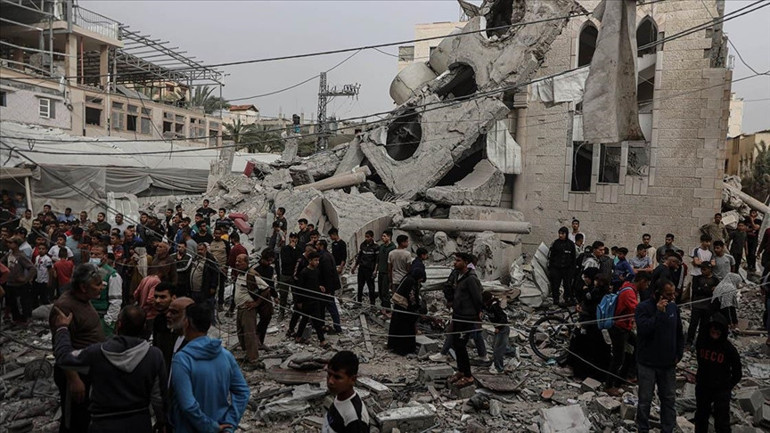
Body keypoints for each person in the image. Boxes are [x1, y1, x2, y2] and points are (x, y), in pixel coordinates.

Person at [52, 305, 167, 433]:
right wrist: (162, 421)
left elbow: (64, 359)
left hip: (103, 423)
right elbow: (158, 397)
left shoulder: (97, 353)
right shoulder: (154, 355)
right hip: (139, 422)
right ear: (144, 327)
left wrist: (62, 329)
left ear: (119, 324)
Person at [169, 303, 250, 433]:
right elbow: (243, 392)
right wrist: (230, 423)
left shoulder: (182, 359)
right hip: (221, 424)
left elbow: (188, 405)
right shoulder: (225, 355)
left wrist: (210, 427)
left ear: (187, 323)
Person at [49, 263, 107, 433]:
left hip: (88, 370)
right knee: (73, 421)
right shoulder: (65, 307)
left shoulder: (84, 300)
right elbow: (60, 346)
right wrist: (73, 379)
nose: (101, 287)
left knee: (84, 416)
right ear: (83, 287)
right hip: (75, 372)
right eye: (97, 284)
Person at [635, 279, 684, 433]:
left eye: (673, 294)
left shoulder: (673, 307)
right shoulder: (643, 308)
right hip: (647, 363)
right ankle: (643, 428)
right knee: (645, 400)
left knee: (668, 399)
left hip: (668, 363)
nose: (672, 297)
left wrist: (679, 353)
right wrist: (658, 313)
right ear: (657, 294)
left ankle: (667, 429)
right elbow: (644, 329)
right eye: (668, 295)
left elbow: (679, 331)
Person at [694, 313, 742, 433]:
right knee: (701, 417)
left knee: (722, 421)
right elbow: (700, 361)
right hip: (703, 386)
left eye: (718, 330)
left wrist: (727, 386)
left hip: (721, 389)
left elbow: (737, 373)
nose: (715, 332)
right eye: (713, 329)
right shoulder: (702, 342)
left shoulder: (729, 349)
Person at [605, 272, 648, 396]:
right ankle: (609, 385)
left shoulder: (629, 288)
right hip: (619, 328)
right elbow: (637, 309)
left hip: (625, 327)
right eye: (646, 284)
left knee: (635, 347)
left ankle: (623, 378)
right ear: (642, 281)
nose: (646, 287)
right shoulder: (629, 292)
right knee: (618, 358)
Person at [447, 252, 483, 388]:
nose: (455, 263)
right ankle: (461, 371)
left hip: (466, 318)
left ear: (466, 262)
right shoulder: (458, 276)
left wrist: (478, 314)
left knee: (461, 346)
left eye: (458, 260)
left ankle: (468, 376)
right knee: (456, 344)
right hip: (458, 315)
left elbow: (477, 298)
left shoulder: (471, 279)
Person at [233, 253, 269, 369]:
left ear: (246, 263)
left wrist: (256, 303)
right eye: (236, 261)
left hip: (248, 310)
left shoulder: (251, 274)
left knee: (249, 335)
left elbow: (266, 288)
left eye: (240, 261)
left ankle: (253, 360)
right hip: (240, 308)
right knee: (241, 333)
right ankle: (247, 355)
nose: (237, 263)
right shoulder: (240, 274)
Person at [323, 351, 370, 433]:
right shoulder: (340, 396)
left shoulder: (354, 418)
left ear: (352, 379)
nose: (330, 381)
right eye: (329, 374)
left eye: (337, 377)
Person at [387, 266, 426, 356]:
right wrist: (416, 309)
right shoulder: (411, 282)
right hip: (405, 309)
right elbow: (412, 298)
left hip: (399, 307)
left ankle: (394, 346)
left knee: (396, 327)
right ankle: (404, 349)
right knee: (405, 329)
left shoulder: (407, 277)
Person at [294, 251, 330, 348]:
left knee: (311, 320)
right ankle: (321, 340)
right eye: (315, 260)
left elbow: (315, 284)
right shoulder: (304, 272)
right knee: (309, 320)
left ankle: (299, 337)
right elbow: (300, 288)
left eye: (318, 260)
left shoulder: (316, 271)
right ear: (310, 261)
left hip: (315, 299)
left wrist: (320, 287)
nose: (317, 262)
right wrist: (299, 301)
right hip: (307, 300)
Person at [89, 245, 123, 336]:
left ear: (105, 256)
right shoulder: (87, 272)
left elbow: (116, 302)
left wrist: (108, 321)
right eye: (91, 254)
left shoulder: (113, 275)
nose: (93, 257)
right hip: (87, 317)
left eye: (97, 254)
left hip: (102, 317)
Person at [2, 236, 36, 323]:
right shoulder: (9, 254)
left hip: (19, 285)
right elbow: (2, 262)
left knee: (22, 304)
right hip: (10, 283)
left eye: (11, 243)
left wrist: (26, 279)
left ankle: (24, 320)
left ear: (16, 244)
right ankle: (16, 320)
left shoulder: (21, 256)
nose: (8, 244)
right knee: (12, 304)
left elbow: (32, 268)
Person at [686, 262, 719, 350]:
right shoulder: (697, 278)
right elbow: (696, 290)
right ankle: (689, 341)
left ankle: (700, 342)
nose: (702, 271)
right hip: (697, 305)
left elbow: (716, 293)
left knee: (704, 326)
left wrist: (704, 290)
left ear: (710, 269)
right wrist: (709, 290)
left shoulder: (715, 280)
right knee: (693, 324)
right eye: (701, 269)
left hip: (707, 307)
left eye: (704, 269)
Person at [317, 239, 342, 334]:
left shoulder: (324, 257)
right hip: (328, 286)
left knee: (331, 307)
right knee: (322, 307)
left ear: (321, 246)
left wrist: (326, 288)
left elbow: (327, 274)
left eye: (318, 245)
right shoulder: (328, 255)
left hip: (327, 287)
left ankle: (337, 328)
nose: (316, 247)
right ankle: (322, 326)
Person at [482, 291, 511, 374]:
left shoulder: (494, 306)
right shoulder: (486, 306)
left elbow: (504, 318)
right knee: (498, 346)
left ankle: (499, 369)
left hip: (503, 329)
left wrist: (498, 327)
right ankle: (513, 351)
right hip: (498, 328)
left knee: (497, 350)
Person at [151, 282, 177, 374]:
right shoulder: (158, 320)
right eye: (156, 297)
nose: (157, 301)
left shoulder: (180, 322)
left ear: (173, 298)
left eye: (163, 297)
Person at [547, 227, 576, 306]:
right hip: (556, 269)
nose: (560, 235)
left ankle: (566, 300)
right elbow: (551, 257)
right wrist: (551, 268)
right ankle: (556, 300)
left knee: (567, 285)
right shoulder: (556, 243)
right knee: (555, 285)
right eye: (559, 233)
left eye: (562, 234)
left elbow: (573, 258)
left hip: (567, 269)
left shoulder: (570, 244)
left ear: (566, 234)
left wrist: (572, 270)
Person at [352, 230, 378, 305]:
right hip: (362, 268)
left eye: (368, 237)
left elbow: (377, 260)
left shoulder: (375, 247)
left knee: (371, 287)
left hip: (370, 269)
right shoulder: (363, 245)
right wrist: (354, 267)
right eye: (365, 237)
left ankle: (372, 304)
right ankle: (359, 302)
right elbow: (359, 257)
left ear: (372, 237)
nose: (366, 238)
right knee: (360, 286)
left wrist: (375, 270)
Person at [278, 232, 299, 318]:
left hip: (294, 276)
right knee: (283, 295)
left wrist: (294, 249)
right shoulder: (284, 249)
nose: (293, 239)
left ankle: (296, 313)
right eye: (291, 237)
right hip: (285, 274)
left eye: (295, 237)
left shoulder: (299, 249)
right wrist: (292, 249)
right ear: (289, 238)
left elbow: (298, 260)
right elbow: (286, 261)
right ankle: (281, 312)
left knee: (296, 295)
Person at [209, 227, 230, 311]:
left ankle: (220, 304)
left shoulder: (225, 243)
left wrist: (226, 267)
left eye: (219, 234)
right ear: (214, 234)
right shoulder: (210, 242)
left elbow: (229, 255)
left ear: (221, 234)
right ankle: (211, 303)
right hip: (212, 269)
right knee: (212, 285)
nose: (217, 235)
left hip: (222, 268)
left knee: (221, 287)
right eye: (216, 233)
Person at [375, 231, 396, 309]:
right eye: (382, 236)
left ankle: (387, 309)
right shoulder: (382, 246)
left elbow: (392, 262)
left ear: (389, 237)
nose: (382, 238)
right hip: (381, 271)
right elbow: (378, 259)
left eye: (384, 236)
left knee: (385, 291)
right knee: (380, 291)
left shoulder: (392, 248)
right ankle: (383, 308)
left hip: (387, 272)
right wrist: (375, 270)